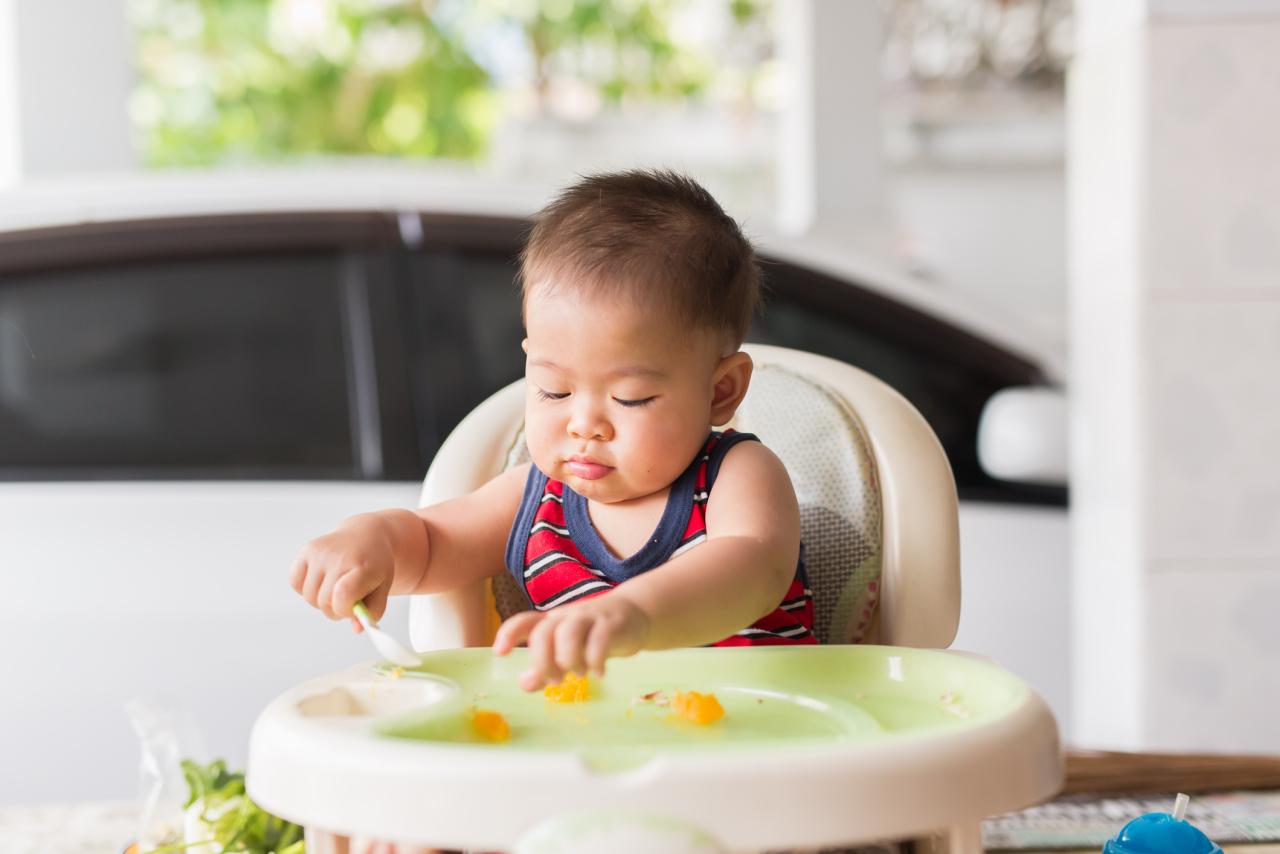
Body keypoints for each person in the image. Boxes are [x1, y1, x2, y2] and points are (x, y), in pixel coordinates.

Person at [290, 169, 815, 694]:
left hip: (754, 750)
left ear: (720, 391)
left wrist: (630, 616)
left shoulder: (736, 476)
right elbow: (432, 543)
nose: (584, 424)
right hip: (587, 756)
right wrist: (373, 542)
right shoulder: (538, 497)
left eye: (629, 398)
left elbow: (750, 569)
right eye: (554, 390)